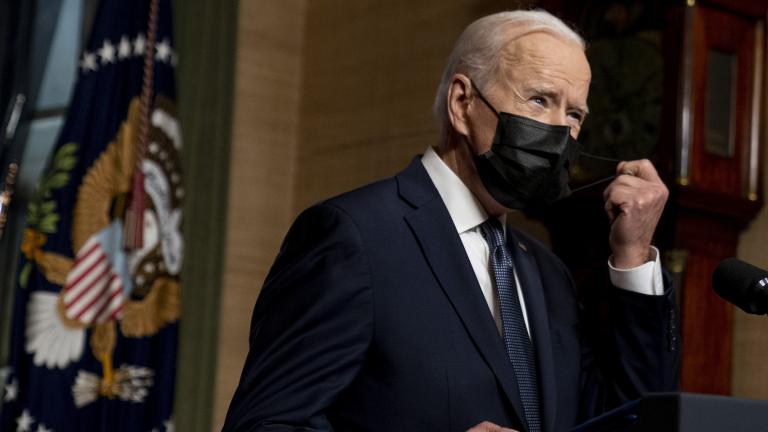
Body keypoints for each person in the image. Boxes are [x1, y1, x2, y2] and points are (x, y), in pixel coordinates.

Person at [222, 10, 679, 432]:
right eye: (539, 100)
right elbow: (265, 425)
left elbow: (627, 420)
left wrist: (633, 255)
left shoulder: (547, 273)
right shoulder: (354, 237)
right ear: (462, 103)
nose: (559, 132)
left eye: (574, 113)